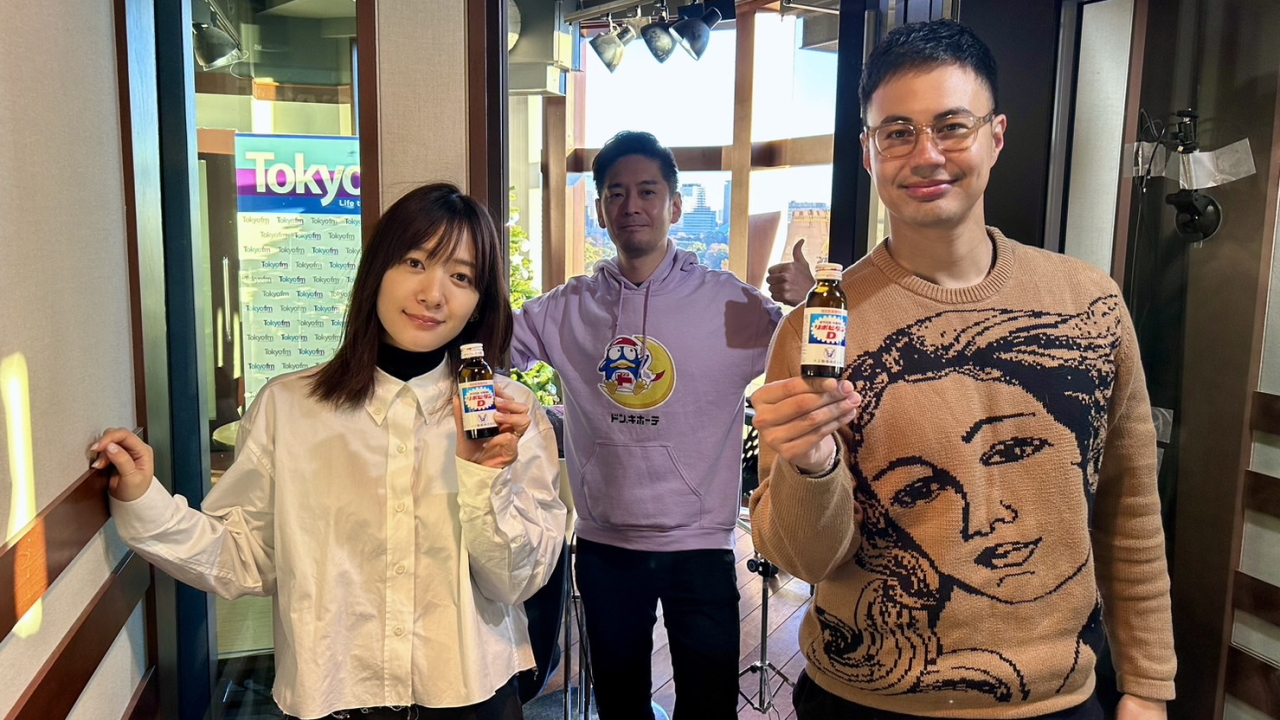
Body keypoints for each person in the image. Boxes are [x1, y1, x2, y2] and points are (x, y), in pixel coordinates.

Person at [748, 19, 1175, 720]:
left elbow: (1130, 511)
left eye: (952, 127)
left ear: (995, 136)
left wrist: (1148, 685)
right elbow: (804, 559)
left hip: (1059, 701)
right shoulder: (818, 328)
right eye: (897, 133)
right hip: (863, 701)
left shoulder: (1088, 303)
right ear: (868, 152)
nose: (926, 155)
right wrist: (811, 465)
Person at [89, 183, 566, 720]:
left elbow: (516, 581)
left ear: (479, 302)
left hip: (475, 699)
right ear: (376, 271)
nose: (434, 294)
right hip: (334, 701)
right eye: (414, 262)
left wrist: (484, 478)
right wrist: (143, 500)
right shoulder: (289, 407)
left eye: (461, 277)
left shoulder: (509, 414)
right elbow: (244, 557)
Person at [511, 130, 783, 719]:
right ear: (601, 209)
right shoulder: (567, 307)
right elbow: (491, 347)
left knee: (709, 709)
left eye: (647, 191)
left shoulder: (731, 303)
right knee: (620, 706)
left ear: (675, 205)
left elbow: (808, 358)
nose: (630, 205)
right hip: (605, 544)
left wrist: (811, 300)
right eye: (616, 193)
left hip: (700, 543)